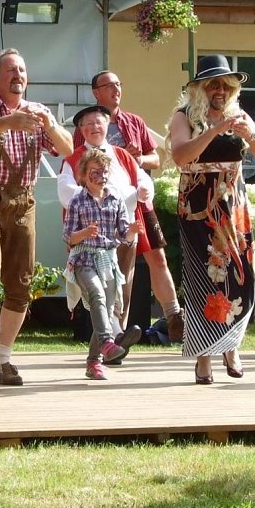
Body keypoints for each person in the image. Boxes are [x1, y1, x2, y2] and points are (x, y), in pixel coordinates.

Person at [0, 48, 73, 386]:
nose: (18, 75)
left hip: (23, 201)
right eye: (10, 70)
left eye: (22, 70)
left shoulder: (38, 112)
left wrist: (51, 126)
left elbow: (68, 150)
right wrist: (7, 121)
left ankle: (4, 358)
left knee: (21, 282)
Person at [167, 55, 255, 383]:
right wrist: (216, 130)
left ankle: (231, 347)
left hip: (234, 207)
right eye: (213, 84)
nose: (220, 90)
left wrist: (250, 136)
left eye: (227, 85)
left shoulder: (240, 116)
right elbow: (181, 156)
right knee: (204, 278)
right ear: (199, 88)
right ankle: (203, 357)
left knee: (241, 278)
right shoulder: (183, 116)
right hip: (199, 208)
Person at [75, 70, 184, 341]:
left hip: (137, 201)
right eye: (108, 86)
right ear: (96, 92)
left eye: (118, 85)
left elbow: (155, 159)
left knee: (157, 256)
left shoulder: (133, 121)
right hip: (105, 208)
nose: (116, 90)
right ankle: (115, 330)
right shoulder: (87, 124)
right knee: (115, 267)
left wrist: (137, 159)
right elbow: (77, 162)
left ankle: (174, 318)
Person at [58, 105, 151, 359]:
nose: (93, 127)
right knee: (98, 292)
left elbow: (143, 179)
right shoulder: (73, 159)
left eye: (98, 122)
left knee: (122, 288)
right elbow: (65, 192)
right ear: (80, 130)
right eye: (87, 124)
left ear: (107, 124)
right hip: (90, 241)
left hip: (123, 233)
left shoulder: (122, 155)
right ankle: (115, 336)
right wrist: (98, 197)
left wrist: (143, 192)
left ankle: (110, 345)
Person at [63, 148, 141, 380]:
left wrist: (132, 232)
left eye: (104, 171)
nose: (101, 176)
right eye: (96, 171)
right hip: (83, 259)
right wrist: (84, 233)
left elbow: (123, 234)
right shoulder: (77, 200)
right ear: (85, 175)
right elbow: (68, 237)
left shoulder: (115, 198)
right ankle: (107, 342)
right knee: (96, 294)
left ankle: (93, 363)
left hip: (108, 259)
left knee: (105, 312)